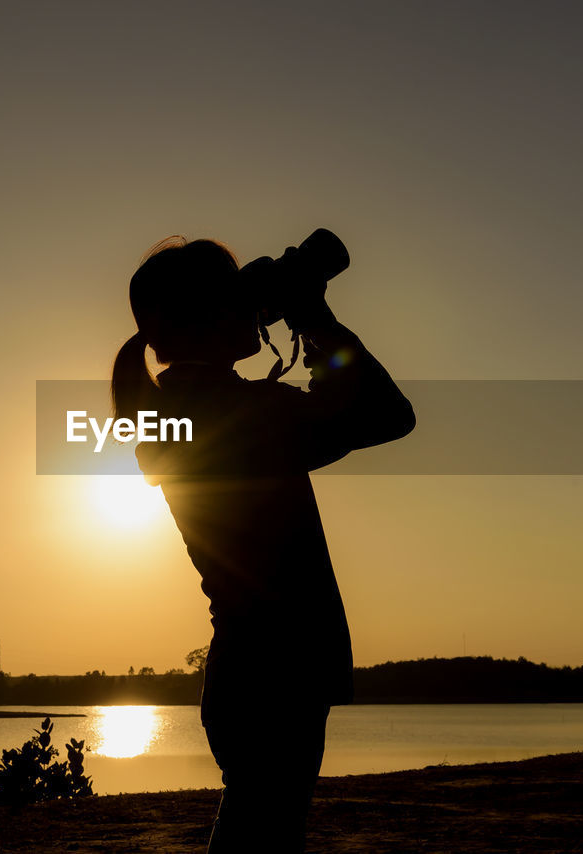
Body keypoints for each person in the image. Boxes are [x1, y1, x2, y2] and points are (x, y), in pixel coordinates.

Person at [110, 235, 414, 851]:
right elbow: (388, 414)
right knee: (264, 836)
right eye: (236, 296)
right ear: (205, 317)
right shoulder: (235, 412)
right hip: (279, 668)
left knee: (256, 830)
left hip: (252, 667)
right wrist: (315, 319)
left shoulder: (184, 408)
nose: (252, 307)